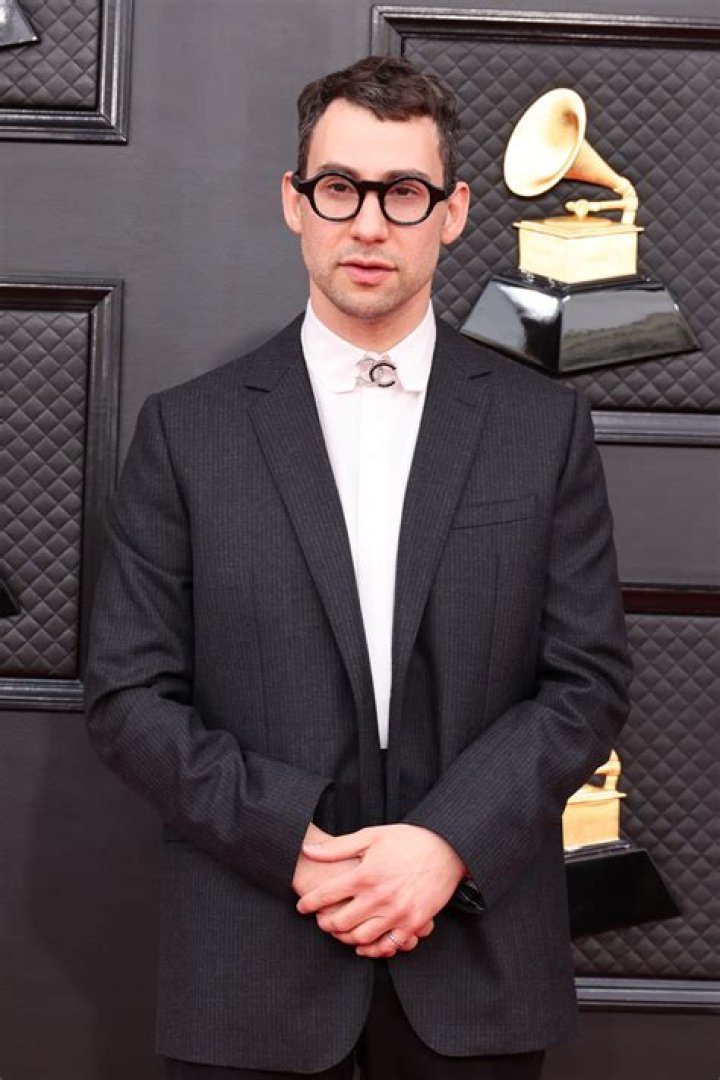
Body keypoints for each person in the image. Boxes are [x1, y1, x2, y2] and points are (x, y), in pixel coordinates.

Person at [85, 56, 631, 1079]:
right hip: (249, 964)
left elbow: (587, 682)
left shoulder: (544, 427)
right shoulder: (186, 433)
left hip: (477, 967)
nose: (370, 225)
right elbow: (127, 696)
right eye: (340, 188)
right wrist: (291, 842)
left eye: (403, 192)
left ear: (453, 212)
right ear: (295, 202)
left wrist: (448, 844)